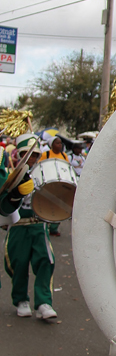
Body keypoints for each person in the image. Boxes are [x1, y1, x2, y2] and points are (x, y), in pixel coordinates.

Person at [4, 132, 57, 319]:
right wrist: (14, 191)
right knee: (18, 263)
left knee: (45, 260)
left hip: (38, 224)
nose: (32, 158)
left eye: (34, 154)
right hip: (18, 225)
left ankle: (44, 302)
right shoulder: (10, 174)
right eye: (27, 154)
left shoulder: (44, 172)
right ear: (19, 154)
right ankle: (21, 300)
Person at [40, 136, 72, 237]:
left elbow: (67, 167)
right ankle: (46, 224)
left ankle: (54, 228)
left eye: (60, 143)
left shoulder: (64, 155)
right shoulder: (46, 154)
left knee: (57, 205)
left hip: (60, 184)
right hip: (49, 183)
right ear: (52, 145)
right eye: (57, 143)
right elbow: (40, 166)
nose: (60, 145)